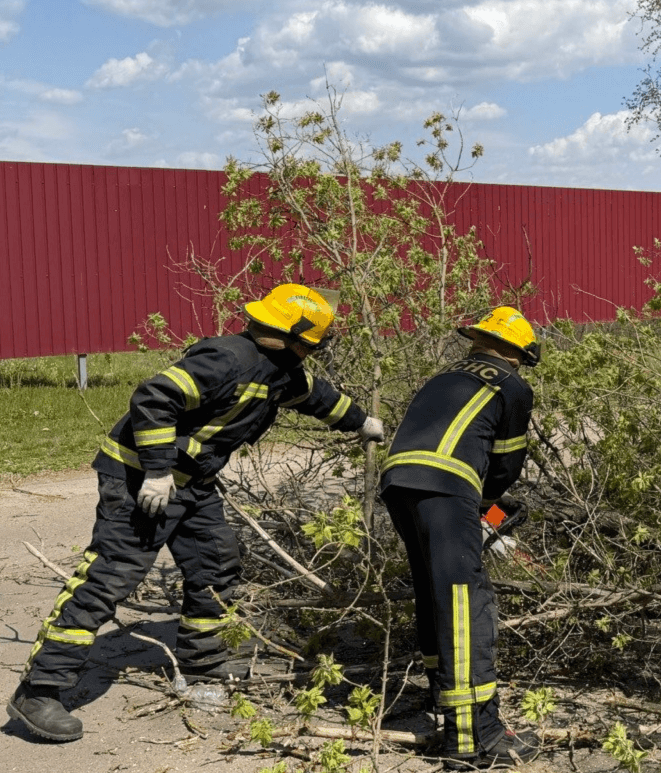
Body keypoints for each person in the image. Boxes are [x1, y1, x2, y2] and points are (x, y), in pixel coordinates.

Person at [7, 284, 384, 743]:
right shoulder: (227, 359)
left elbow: (317, 398)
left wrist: (362, 422)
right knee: (110, 578)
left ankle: (203, 663)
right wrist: (158, 471)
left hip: (193, 484)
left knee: (215, 563)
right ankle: (39, 690)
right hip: (139, 480)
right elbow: (154, 397)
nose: (313, 352)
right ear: (292, 336)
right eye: (311, 343)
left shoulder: (281, 370)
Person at [379, 306, 540, 769]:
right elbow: (505, 465)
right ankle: (473, 737)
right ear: (518, 353)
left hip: (400, 484)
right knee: (467, 602)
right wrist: (487, 504)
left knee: (436, 593)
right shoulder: (511, 386)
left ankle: (440, 700)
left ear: (478, 340)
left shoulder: (442, 378)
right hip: (448, 489)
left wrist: (483, 508)